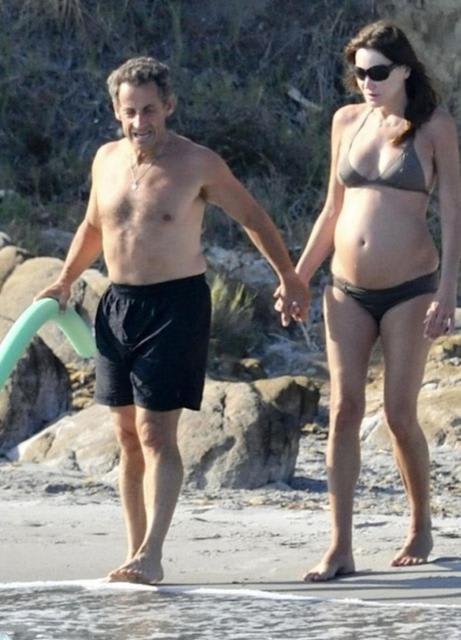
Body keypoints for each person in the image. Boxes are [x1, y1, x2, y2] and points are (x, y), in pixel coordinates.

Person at [35, 56, 308, 585]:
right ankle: (133, 549)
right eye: (130, 111)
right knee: (126, 435)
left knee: (156, 432)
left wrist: (289, 276)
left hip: (175, 305)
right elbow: (93, 225)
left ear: (169, 106)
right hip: (117, 305)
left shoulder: (198, 163)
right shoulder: (106, 159)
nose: (140, 121)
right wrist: (66, 279)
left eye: (150, 110)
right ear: (116, 112)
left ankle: (152, 554)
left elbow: (252, 216)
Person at [292, 21, 461, 581]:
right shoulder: (346, 121)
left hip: (412, 288)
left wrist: (448, 291)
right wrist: (297, 277)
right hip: (345, 289)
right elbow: (331, 209)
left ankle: (420, 523)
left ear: (405, 69)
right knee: (343, 411)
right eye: (359, 72)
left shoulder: (434, 127)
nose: (367, 81)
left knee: (398, 413)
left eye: (378, 72)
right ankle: (340, 546)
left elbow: (453, 214)